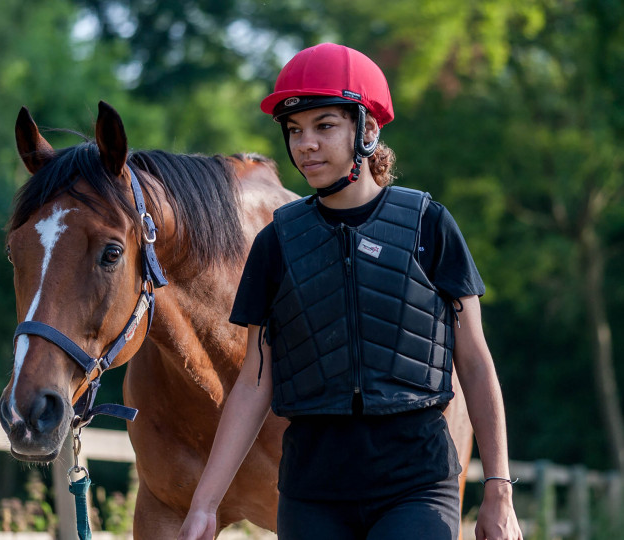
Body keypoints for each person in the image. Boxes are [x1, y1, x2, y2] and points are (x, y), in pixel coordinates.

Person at [178, 43, 522, 540]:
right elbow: (254, 383)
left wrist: (499, 490)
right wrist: (204, 505)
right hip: (312, 493)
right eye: (295, 130)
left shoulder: (431, 226)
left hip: (417, 485)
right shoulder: (276, 243)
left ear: (368, 130)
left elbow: (474, 360)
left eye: (325, 126)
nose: (306, 144)